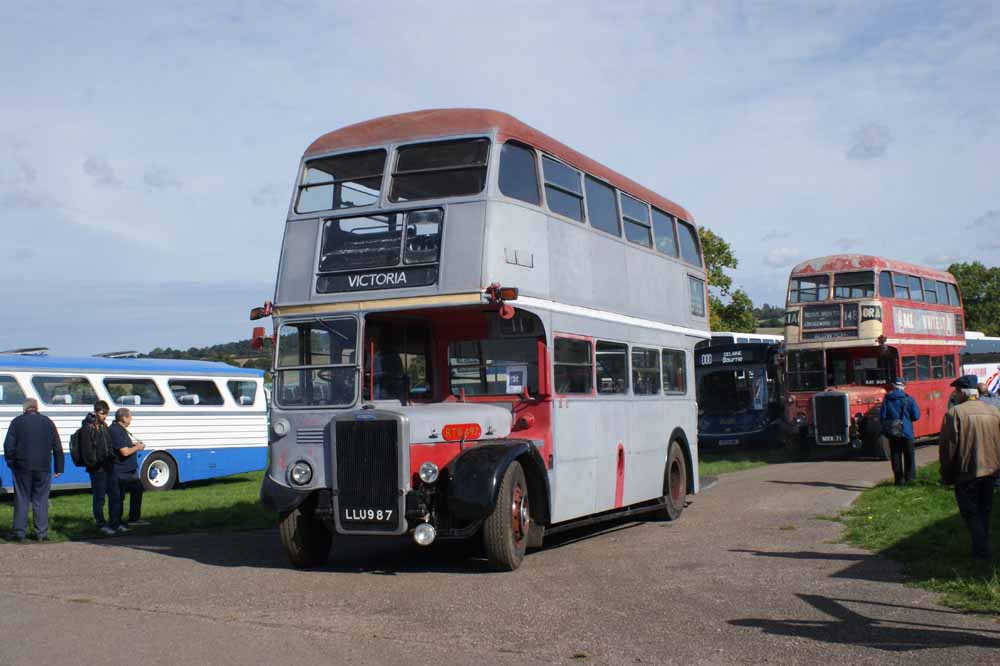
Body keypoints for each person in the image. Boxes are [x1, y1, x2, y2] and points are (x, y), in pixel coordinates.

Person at [939, 374, 1000, 561]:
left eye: (955, 392)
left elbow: (948, 448)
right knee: (985, 511)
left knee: (970, 513)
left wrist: (946, 475)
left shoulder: (954, 413)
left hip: (967, 472)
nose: (954, 395)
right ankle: (980, 549)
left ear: (962, 393)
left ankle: (982, 551)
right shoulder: (994, 411)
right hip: (991, 470)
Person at [3, 398, 63, 542]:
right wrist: (58, 467)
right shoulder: (48, 422)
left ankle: (19, 533)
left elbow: (8, 446)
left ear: (24, 409)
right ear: (36, 408)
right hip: (43, 467)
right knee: (41, 500)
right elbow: (57, 446)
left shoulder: (17, 422)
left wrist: (12, 463)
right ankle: (41, 533)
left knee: (22, 499)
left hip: (22, 467)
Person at [80, 400, 117, 535]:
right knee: (99, 497)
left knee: (114, 494)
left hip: (109, 465)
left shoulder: (103, 426)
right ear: (96, 411)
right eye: (102, 413)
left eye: (106, 414)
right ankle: (100, 522)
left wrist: (111, 458)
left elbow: (108, 444)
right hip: (97, 468)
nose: (105, 416)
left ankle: (114, 522)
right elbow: (87, 450)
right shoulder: (88, 427)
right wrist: (95, 463)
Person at [108, 408, 146, 531]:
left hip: (129, 470)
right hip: (121, 471)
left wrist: (133, 445)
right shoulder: (116, 430)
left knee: (137, 490)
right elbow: (124, 452)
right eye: (130, 417)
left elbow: (124, 446)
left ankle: (134, 518)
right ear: (123, 418)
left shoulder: (120, 430)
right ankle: (116, 522)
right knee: (118, 497)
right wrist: (137, 448)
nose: (131, 419)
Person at [880, 379, 921, 484]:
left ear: (894, 386)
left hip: (893, 433)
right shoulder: (909, 399)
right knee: (909, 456)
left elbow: (882, 416)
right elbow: (916, 416)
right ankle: (910, 479)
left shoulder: (887, 399)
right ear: (904, 387)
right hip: (907, 432)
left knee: (895, 455)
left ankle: (899, 480)